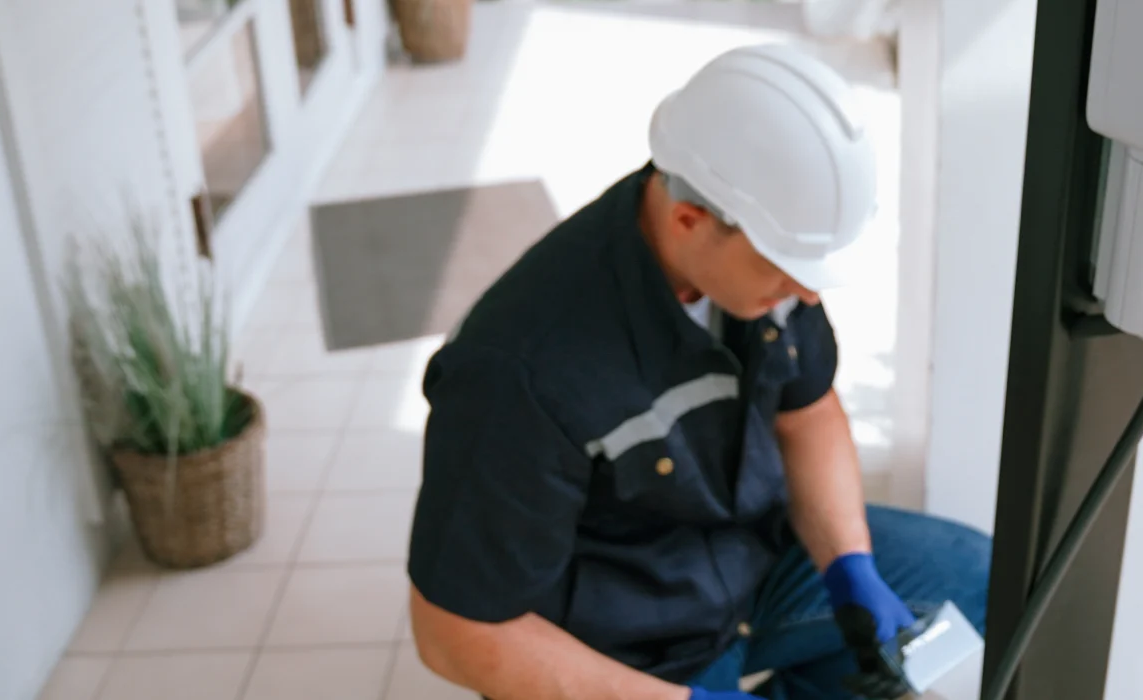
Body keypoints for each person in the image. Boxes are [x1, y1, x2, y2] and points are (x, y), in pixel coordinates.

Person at [402, 43, 992, 700]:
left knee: (977, 576)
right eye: (786, 267)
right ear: (690, 219)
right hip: (630, 644)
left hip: (752, 557)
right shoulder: (521, 368)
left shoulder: (761, 269)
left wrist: (848, 564)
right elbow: (454, 633)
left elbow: (808, 415)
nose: (807, 292)